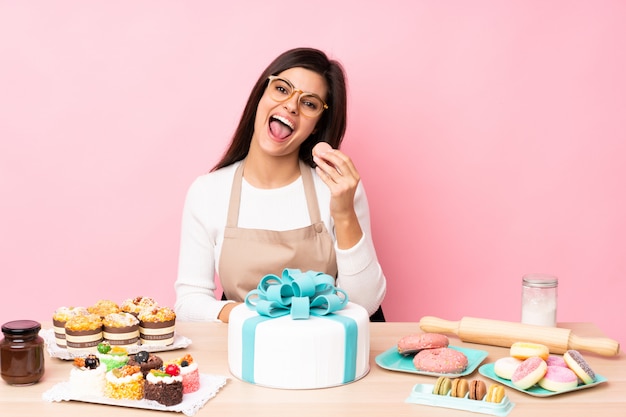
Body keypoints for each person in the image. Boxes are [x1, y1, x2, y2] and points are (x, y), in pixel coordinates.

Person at [174, 47, 386, 323]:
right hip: (243, 354)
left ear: (317, 125)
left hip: (324, 354)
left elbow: (365, 304)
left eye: (309, 103)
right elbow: (189, 303)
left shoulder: (337, 189)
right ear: (261, 94)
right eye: (282, 89)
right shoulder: (207, 192)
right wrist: (262, 318)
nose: (291, 106)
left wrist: (344, 212)